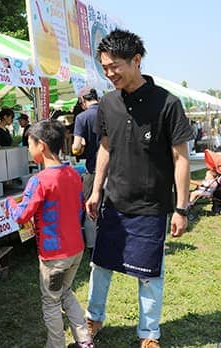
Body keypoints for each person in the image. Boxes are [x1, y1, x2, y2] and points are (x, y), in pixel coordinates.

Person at [85, 29, 193, 348]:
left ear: (136, 60)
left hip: (152, 204)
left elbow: (181, 158)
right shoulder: (107, 103)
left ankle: (149, 333)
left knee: (149, 273)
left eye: (114, 66)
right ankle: (94, 318)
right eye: (104, 67)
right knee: (101, 265)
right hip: (114, 202)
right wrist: (96, 191)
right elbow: (105, 147)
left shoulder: (168, 104)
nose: (109, 73)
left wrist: (182, 208)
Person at [5, 120, 94, 348]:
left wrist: (9, 204)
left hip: (54, 256)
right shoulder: (74, 174)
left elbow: (21, 215)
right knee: (65, 292)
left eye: (29, 144)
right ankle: (84, 340)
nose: (28, 149)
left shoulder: (39, 181)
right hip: (76, 249)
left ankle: (55, 345)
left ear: (41, 145)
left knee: (51, 301)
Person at [71, 86, 100, 255]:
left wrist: (79, 150)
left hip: (93, 169)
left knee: (91, 209)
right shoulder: (109, 113)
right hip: (116, 170)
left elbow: (76, 146)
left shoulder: (82, 117)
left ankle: (93, 250)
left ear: (82, 101)